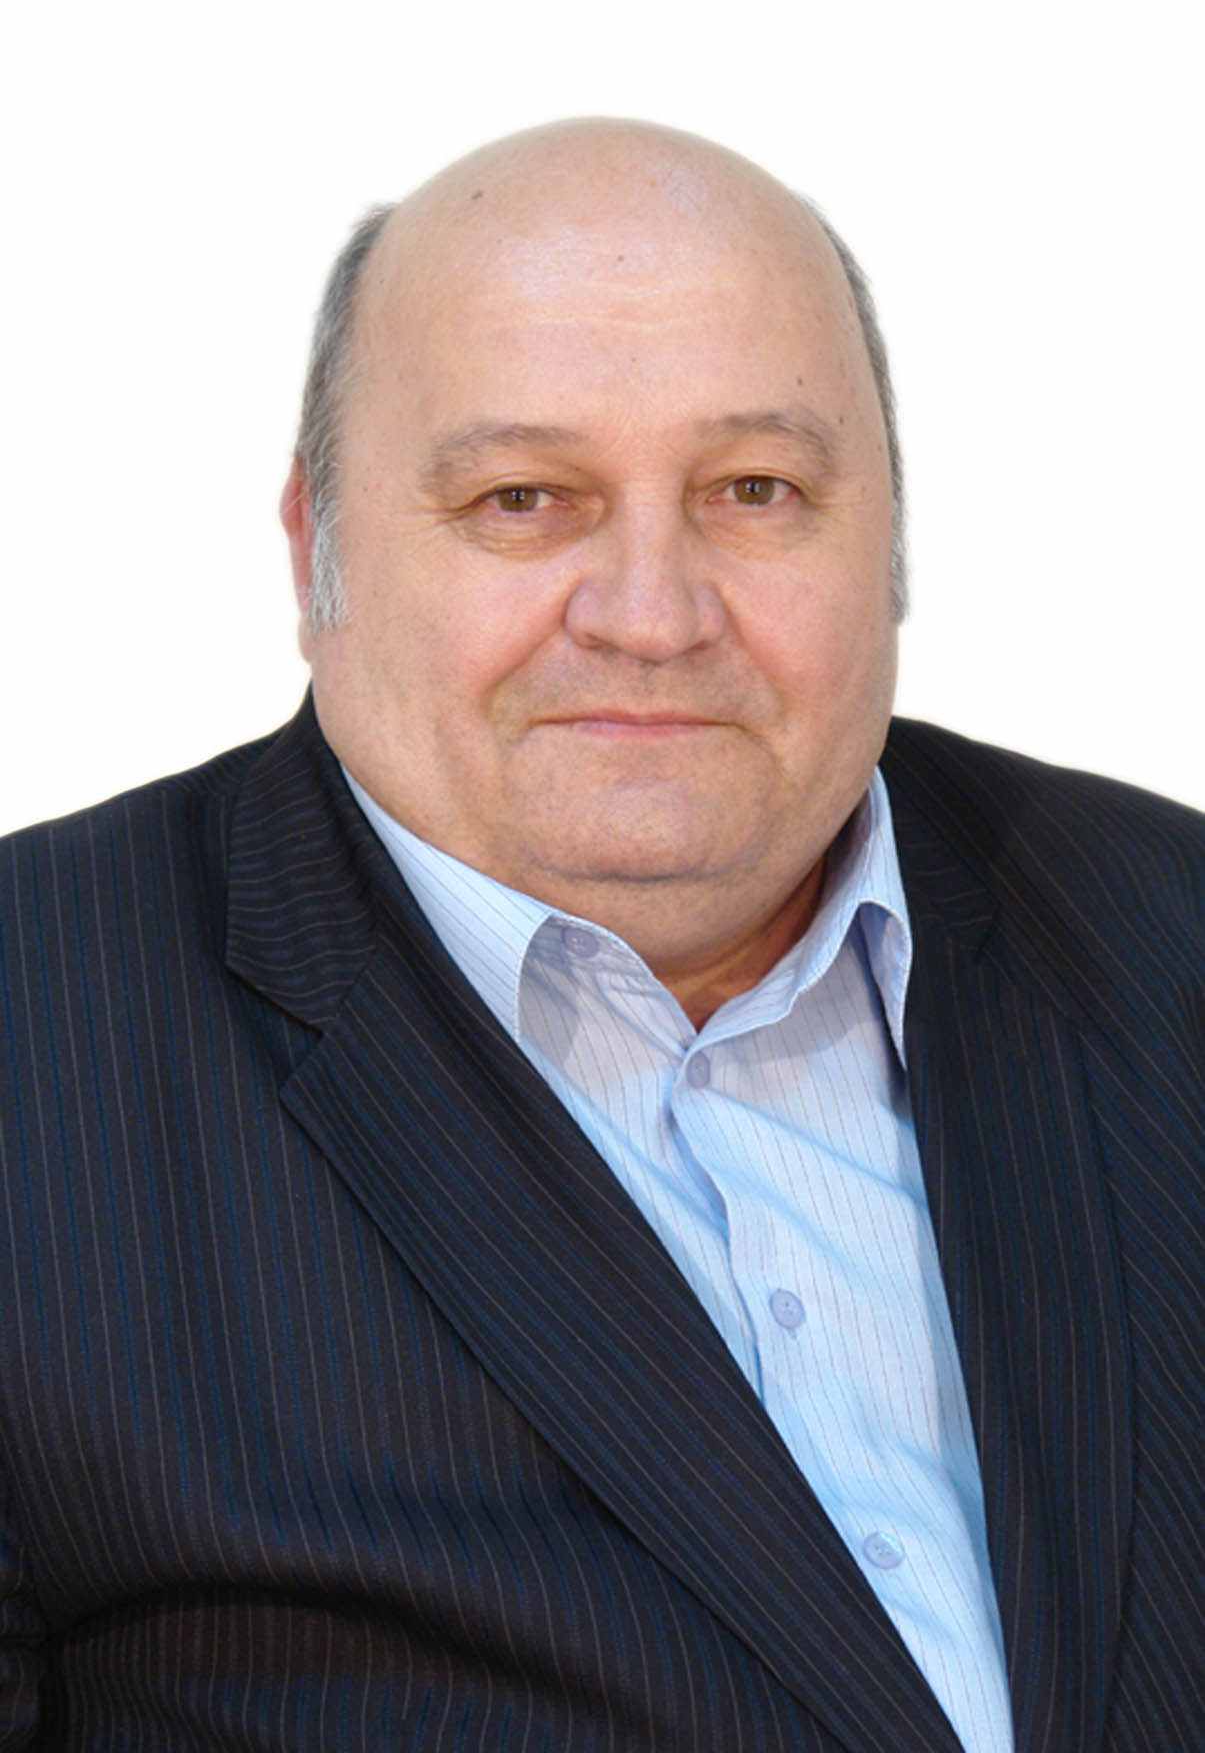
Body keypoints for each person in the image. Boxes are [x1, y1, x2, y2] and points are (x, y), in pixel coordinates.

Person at [0, 118, 1200, 1753]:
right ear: (313, 547)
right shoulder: (38, 1039)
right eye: (522, 499)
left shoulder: (1166, 928)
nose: (650, 614)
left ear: (891, 541)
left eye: (755, 490)